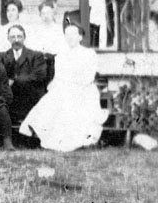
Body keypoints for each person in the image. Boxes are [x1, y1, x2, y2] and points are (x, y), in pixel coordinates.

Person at [19, 23, 109, 152]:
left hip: (84, 88)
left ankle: (73, 139)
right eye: (67, 34)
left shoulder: (89, 54)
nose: (70, 37)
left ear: (80, 37)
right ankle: (49, 137)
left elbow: (88, 77)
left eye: (73, 34)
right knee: (53, 100)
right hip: (64, 87)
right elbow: (59, 76)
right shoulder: (61, 55)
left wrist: (71, 85)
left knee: (69, 100)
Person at [0, 25, 46, 123]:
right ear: (8, 39)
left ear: (24, 37)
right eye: (13, 37)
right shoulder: (2, 56)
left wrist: (14, 80)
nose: (16, 40)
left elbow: (40, 75)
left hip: (30, 99)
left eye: (19, 36)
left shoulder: (36, 55)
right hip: (10, 100)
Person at [25, 0, 66, 84]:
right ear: (40, 15)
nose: (46, 16)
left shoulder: (59, 30)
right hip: (39, 62)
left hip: (54, 62)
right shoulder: (35, 30)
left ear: (53, 14)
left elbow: (62, 47)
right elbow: (31, 45)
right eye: (43, 13)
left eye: (48, 13)